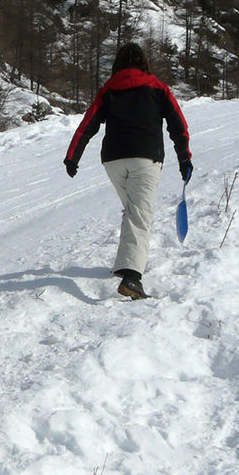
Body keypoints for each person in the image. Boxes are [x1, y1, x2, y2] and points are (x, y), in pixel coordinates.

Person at [64, 42, 193, 299]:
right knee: (140, 215)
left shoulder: (109, 90)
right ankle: (132, 277)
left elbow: (86, 124)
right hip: (145, 159)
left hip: (113, 161)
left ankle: (126, 263)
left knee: (134, 210)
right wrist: (184, 159)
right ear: (144, 62)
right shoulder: (158, 88)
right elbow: (178, 125)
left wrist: (72, 157)